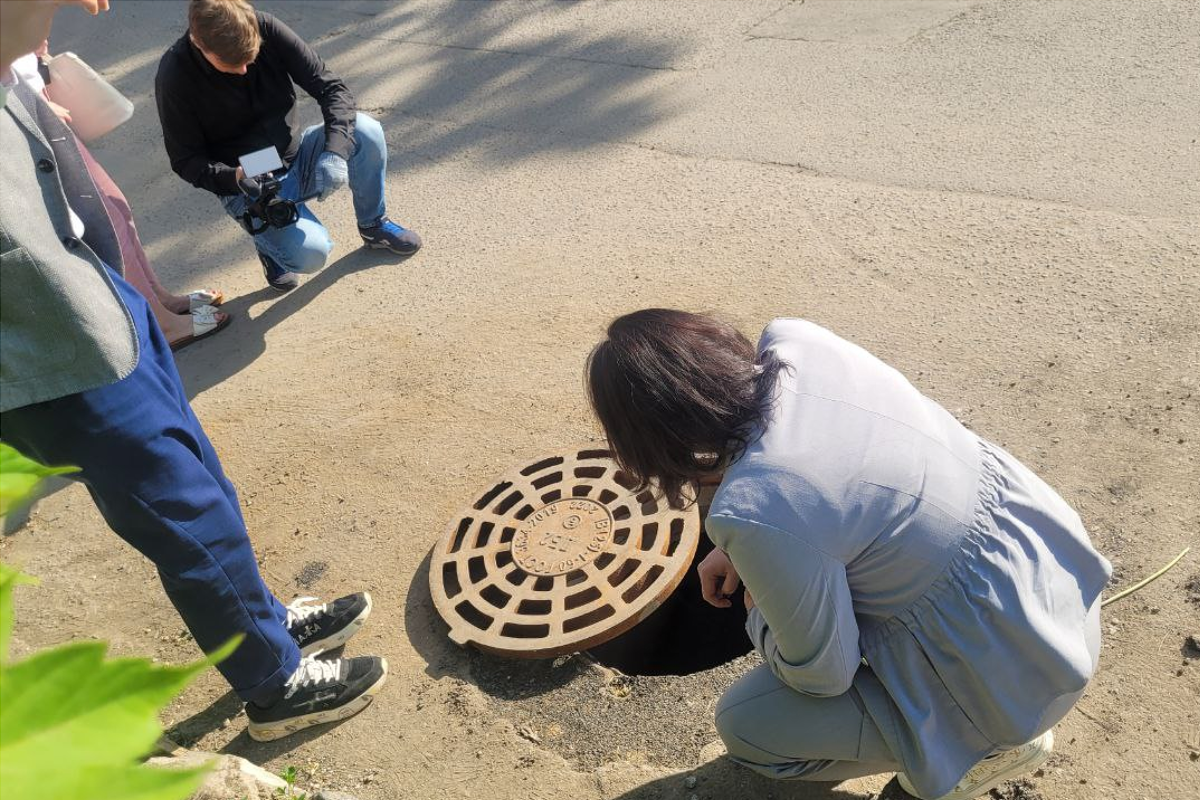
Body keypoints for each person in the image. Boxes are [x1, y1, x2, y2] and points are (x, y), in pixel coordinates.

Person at [1, 0, 387, 742]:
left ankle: (267, 618)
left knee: (202, 478)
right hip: (50, 342)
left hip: (94, 296)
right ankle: (273, 686)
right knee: (183, 516)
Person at [586, 310, 1111, 800]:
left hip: (1015, 685)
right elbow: (834, 497)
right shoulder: (800, 342)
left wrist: (760, 600)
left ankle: (985, 751)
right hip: (1054, 585)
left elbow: (821, 674)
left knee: (747, 727)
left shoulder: (760, 511)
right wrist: (752, 540)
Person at [155, 0, 421, 293]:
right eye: (231, 64)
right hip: (246, 179)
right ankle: (270, 248)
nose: (244, 70)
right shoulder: (175, 75)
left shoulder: (265, 26)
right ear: (199, 43)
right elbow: (185, 160)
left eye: (250, 58)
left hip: (292, 152)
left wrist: (334, 153)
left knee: (365, 129)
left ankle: (373, 225)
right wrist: (236, 178)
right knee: (311, 255)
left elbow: (332, 89)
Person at [11, 46, 230, 350]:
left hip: (40, 108)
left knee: (115, 205)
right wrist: (31, 106)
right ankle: (161, 324)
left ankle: (159, 300)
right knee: (106, 220)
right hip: (27, 124)